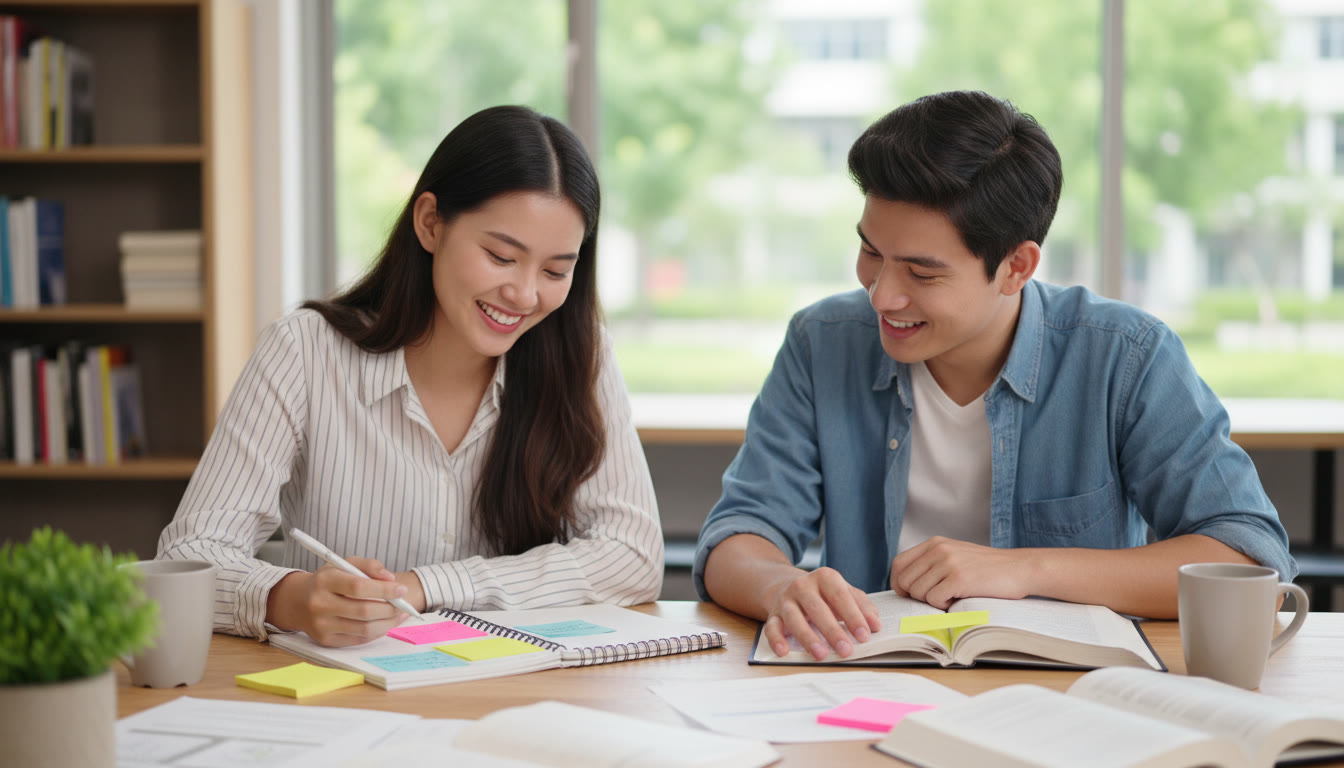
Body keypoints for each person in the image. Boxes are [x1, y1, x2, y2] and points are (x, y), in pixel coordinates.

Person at [693, 90, 1295, 662]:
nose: (882, 296)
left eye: (922, 274)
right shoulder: (820, 343)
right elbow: (737, 538)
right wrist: (780, 587)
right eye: (872, 252)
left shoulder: (1124, 355)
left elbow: (1248, 558)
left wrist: (1025, 569)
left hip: (1068, 697)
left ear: (1015, 267)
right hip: (871, 678)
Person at [158, 105, 662, 647]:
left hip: (507, 695)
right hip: (342, 699)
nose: (524, 294)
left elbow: (632, 554)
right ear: (430, 223)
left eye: (556, 271)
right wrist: (294, 598)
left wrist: (426, 586)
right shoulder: (304, 351)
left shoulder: (580, 357)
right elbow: (190, 555)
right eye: (500, 256)